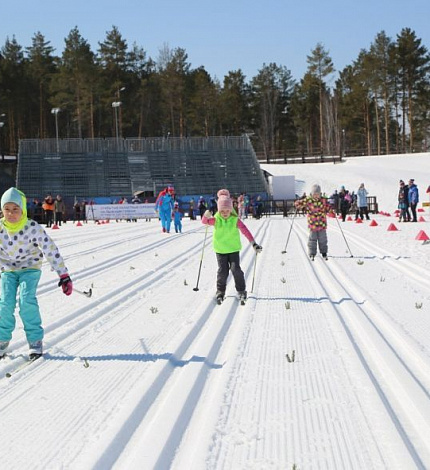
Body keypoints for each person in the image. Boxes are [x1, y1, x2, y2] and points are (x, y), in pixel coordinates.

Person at [0, 187, 73, 360]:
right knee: (4, 303)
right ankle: (2, 340)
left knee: (26, 300)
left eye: (15, 209)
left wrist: (63, 275)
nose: (11, 214)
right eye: (7, 209)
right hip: (8, 269)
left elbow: (50, 249)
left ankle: (35, 340)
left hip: (30, 267)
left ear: (23, 209)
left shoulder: (32, 227)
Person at [202, 188, 262, 304]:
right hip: (220, 250)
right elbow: (204, 222)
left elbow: (246, 231)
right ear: (219, 211)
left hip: (233, 249)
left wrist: (253, 243)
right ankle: (220, 291)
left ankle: (241, 290)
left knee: (236, 269)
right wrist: (207, 214)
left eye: (227, 210)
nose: (225, 213)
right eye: (222, 211)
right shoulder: (216, 220)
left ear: (231, 210)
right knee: (222, 271)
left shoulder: (235, 220)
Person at [294, 184, 331, 260]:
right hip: (313, 224)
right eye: (315, 194)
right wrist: (298, 205)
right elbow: (299, 203)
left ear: (320, 194)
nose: (316, 196)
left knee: (323, 239)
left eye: (318, 194)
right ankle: (312, 253)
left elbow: (328, 207)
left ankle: (324, 252)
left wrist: (330, 210)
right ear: (312, 193)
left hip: (322, 223)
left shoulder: (323, 200)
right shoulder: (308, 200)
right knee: (312, 239)